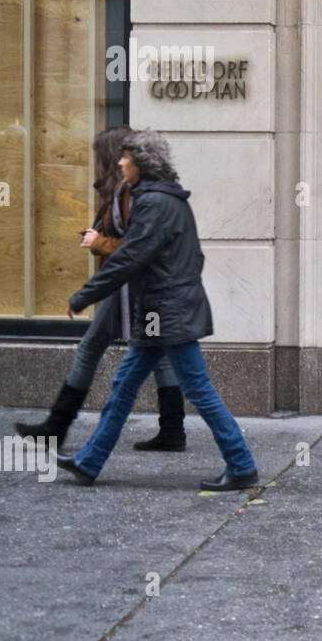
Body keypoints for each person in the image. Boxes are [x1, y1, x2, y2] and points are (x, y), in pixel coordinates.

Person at [55, 129, 259, 490]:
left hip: (168, 314)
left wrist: (84, 296)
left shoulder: (155, 204)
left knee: (197, 389)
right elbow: (193, 257)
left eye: (126, 158)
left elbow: (130, 259)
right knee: (125, 384)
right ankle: (89, 462)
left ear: (141, 163)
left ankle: (241, 465)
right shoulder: (164, 199)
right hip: (157, 313)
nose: (120, 163)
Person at [15, 126, 185, 451]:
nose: (118, 161)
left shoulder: (130, 192)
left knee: (92, 348)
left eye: (118, 156)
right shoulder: (122, 190)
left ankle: (58, 428)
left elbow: (140, 246)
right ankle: (172, 430)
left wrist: (99, 242)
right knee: (158, 354)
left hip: (131, 286)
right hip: (136, 286)